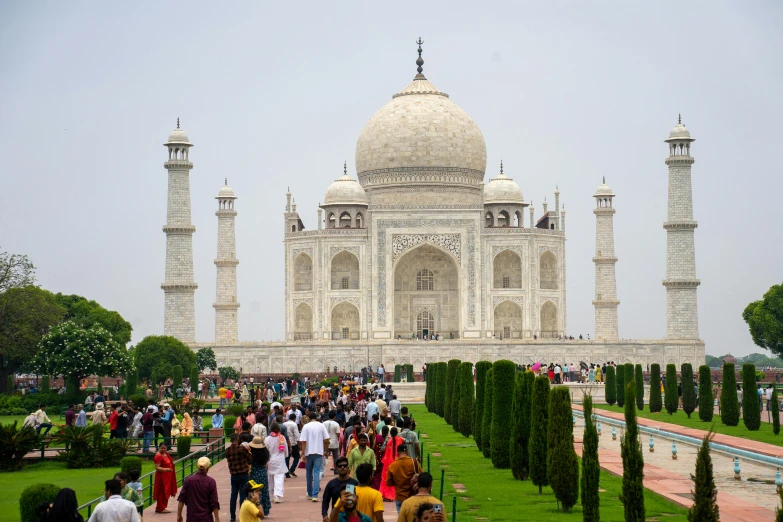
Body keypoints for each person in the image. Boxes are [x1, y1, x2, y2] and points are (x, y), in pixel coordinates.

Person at [176, 456, 220, 522]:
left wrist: (179, 515)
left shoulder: (188, 480)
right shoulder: (211, 481)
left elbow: (181, 498)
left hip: (191, 518)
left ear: (197, 466)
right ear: (208, 468)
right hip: (206, 518)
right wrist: (217, 518)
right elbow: (214, 501)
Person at [299, 411, 330, 502]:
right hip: (319, 452)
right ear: (316, 417)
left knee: (308, 473)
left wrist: (303, 453)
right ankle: (315, 494)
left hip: (309, 452)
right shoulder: (321, 426)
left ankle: (309, 492)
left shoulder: (306, 426)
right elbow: (326, 439)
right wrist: (326, 450)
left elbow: (303, 441)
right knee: (316, 472)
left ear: (309, 418)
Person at [322, 457, 359, 522]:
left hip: (352, 517)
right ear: (336, 468)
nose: (342, 467)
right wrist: (325, 515)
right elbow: (325, 501)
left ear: (348, 468)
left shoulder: (354, 483)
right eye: (340, 466)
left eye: (345, 466)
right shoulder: (331, 484)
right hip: (336, 516)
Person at [227, 433, 252, 521]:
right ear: (238, 440)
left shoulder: (227, 450)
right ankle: (242, 515)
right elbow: (250, 458)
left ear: (230, 441)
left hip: (233, 474)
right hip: (243, 473)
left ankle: (232, 516)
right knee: (243, 495)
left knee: (233, 495)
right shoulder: (242, 449)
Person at [385, 444, 417, 512]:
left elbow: (388, 483)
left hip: (399, 497)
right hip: (412, 496)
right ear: (407, 452)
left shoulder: (393, 465)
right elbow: (422, 476)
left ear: (397, 453)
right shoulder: (414, 463)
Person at [248, 436, 272, 517]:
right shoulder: (265, 453)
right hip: (263, 473)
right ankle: (264, 510)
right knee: (263, 491)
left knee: (254, 491)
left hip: (254, 473)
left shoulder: (251, 453)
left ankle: (255, 510)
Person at [265, 422, 289, 503]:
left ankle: (271, 496)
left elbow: (265, 451)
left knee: (270, 479)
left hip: (270, 460)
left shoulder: (267, 439)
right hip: (279, 460)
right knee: (279, 478)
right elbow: (285, 449)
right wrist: (286, 456)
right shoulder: (282, 438)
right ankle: (277, 496)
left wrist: (266, 461)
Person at [379, 427, 404, 501]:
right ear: (397, 432)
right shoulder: (400, 439)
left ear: (390, 432)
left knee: (385, 478)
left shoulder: (387, 440)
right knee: (396, 479)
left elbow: (382, 449)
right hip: (397, 462)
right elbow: (410, 441)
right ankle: (393, 495)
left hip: (387, 462)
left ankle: (385, 494)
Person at [153, 444, 178, 514]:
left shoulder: (165, 454)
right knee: (162, 491)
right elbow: (157, 468)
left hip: (167, 476)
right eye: (162, 448)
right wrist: (166, 469)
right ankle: (160, 508)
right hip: (161, 477)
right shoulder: (158, 456)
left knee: (165, 491)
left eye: (165, 448)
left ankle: (160, 507)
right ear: (159, 447)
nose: (163, 449)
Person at [283, 412, 301, 478]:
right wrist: (299, 445)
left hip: (285, 442)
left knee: (287, 457)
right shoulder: (294, 424)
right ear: (294, 418)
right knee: (296, 457)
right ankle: (292, 469)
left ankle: (286, 472)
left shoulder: (284, 424)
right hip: (293, 443)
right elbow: (297, 435)